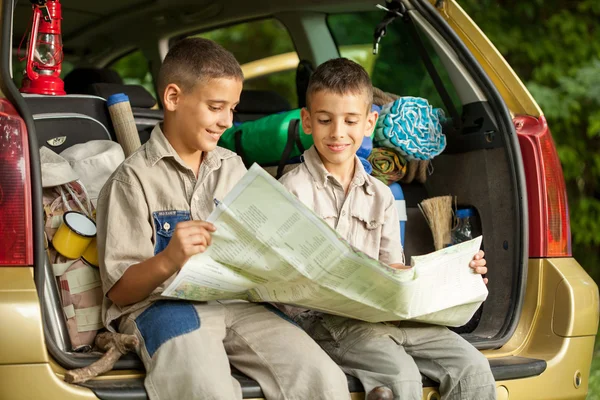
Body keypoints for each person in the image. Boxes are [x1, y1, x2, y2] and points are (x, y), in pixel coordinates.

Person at [96, 38, 351, 400]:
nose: (227, 121)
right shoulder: (131, 181)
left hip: (236, 303)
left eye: (232, 108)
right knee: (207, 387)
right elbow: (120, 291)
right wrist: (170, 259)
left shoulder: (231, 166)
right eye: (216, 107)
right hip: (162, 306)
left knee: (323, 378)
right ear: (172, 98)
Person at [278, 57, 496, 400]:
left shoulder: (381, 194)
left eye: (350, 121)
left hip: (389, 315)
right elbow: (284, 280)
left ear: (369, 123)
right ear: (307, 121)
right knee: (400, 376)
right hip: (329, 320)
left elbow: (392, 268)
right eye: (324, 120)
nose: (337, 132)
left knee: (473, 368)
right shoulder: (292, 189)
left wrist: (454, 275)